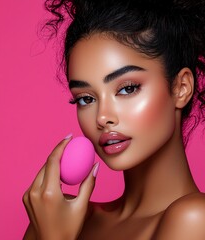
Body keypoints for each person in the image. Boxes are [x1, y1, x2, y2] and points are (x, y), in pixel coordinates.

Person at [23, 0, 205, 239]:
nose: (102, 117)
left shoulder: (195, 219)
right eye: (86, 99)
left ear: (181, 88)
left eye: (127, 89)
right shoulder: (63, 217)